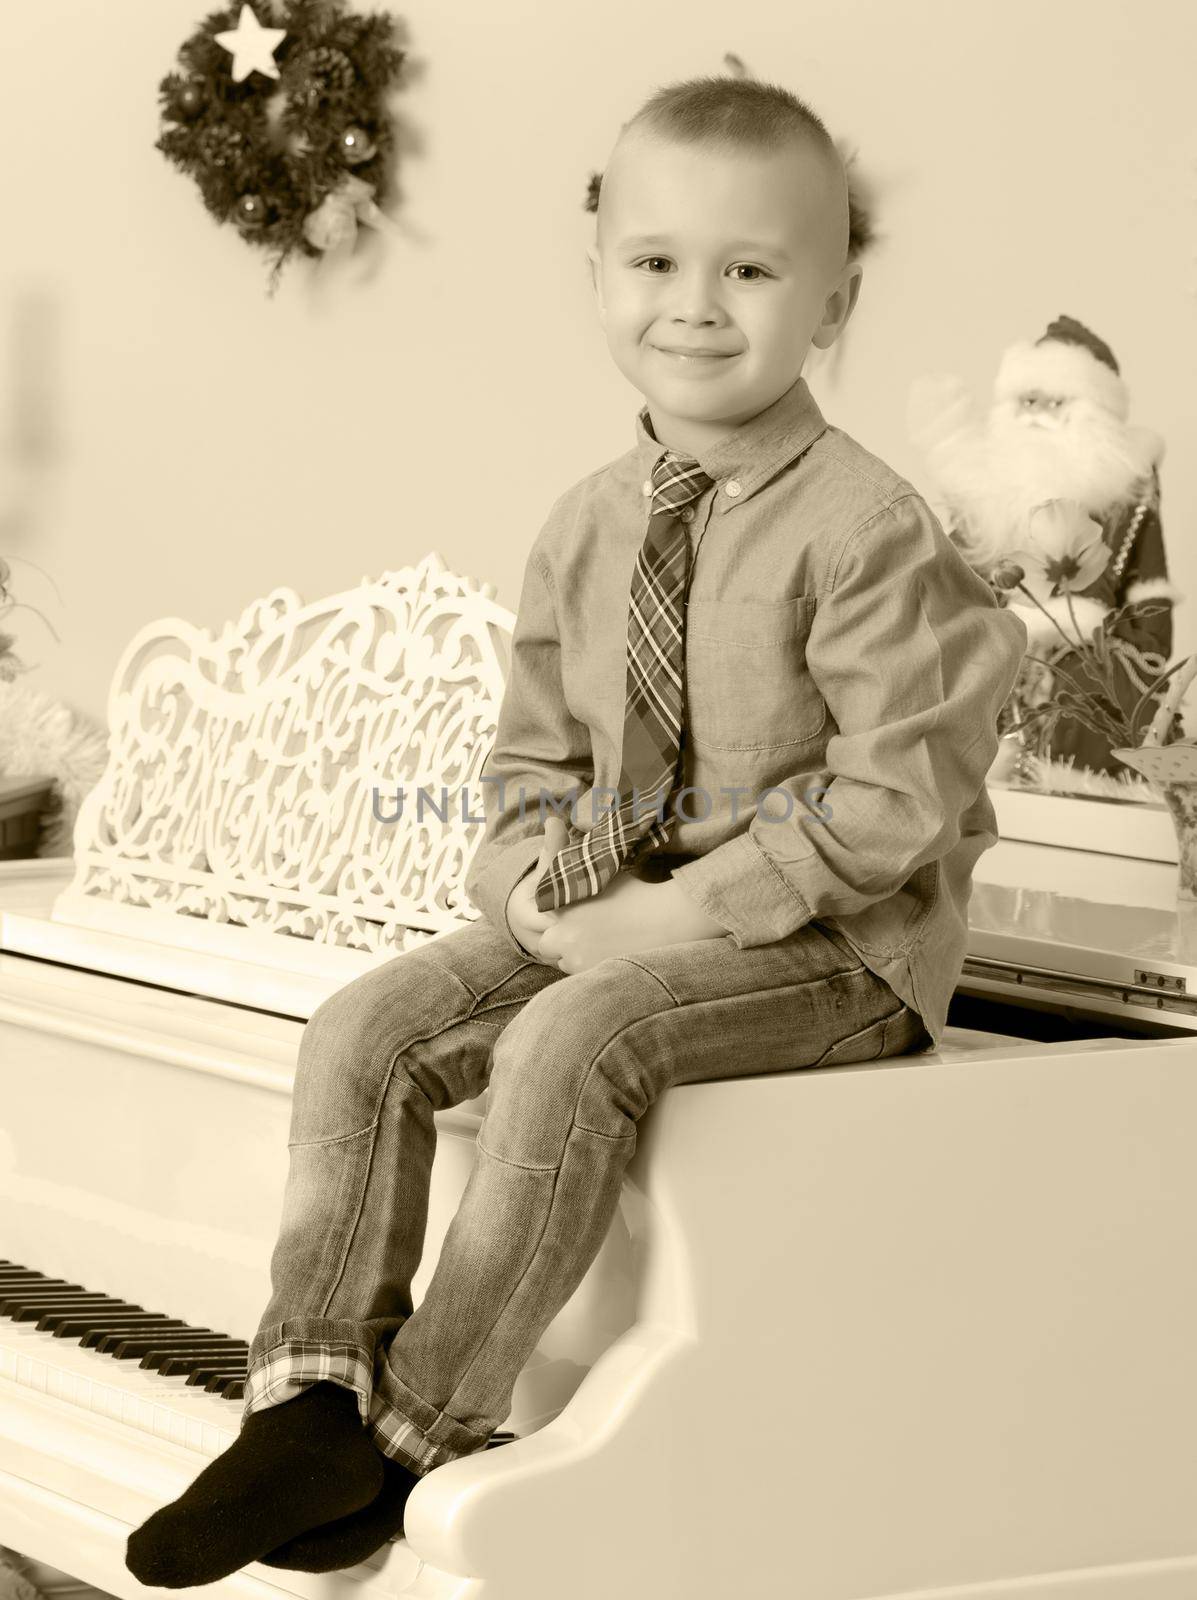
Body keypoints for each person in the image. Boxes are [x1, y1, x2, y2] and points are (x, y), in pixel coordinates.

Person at [125, 73, 1026, 1587]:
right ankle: (308, 1395)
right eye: (657, 261)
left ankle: (414, 1427)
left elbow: (894, 797)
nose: (696, 304)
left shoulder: (870, 529)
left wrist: (678, 916)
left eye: (750, 268)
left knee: (566, 1039)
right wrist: (527, 885)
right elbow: (531, 761)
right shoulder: (586, 520)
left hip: (837, 953)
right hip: (625, 921)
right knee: (367, 1023)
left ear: (834, 296)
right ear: (599, 269)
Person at [909, 315, 1179, 785]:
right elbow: (955, 577)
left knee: (1084, 713)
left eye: (1053, 403)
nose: (1035, 414)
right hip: (994, 649)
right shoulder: (990, 493)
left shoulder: (1125, 493)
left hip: (1085, 658)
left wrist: (1136, 674)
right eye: (1026, 401)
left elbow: (1148, 602)